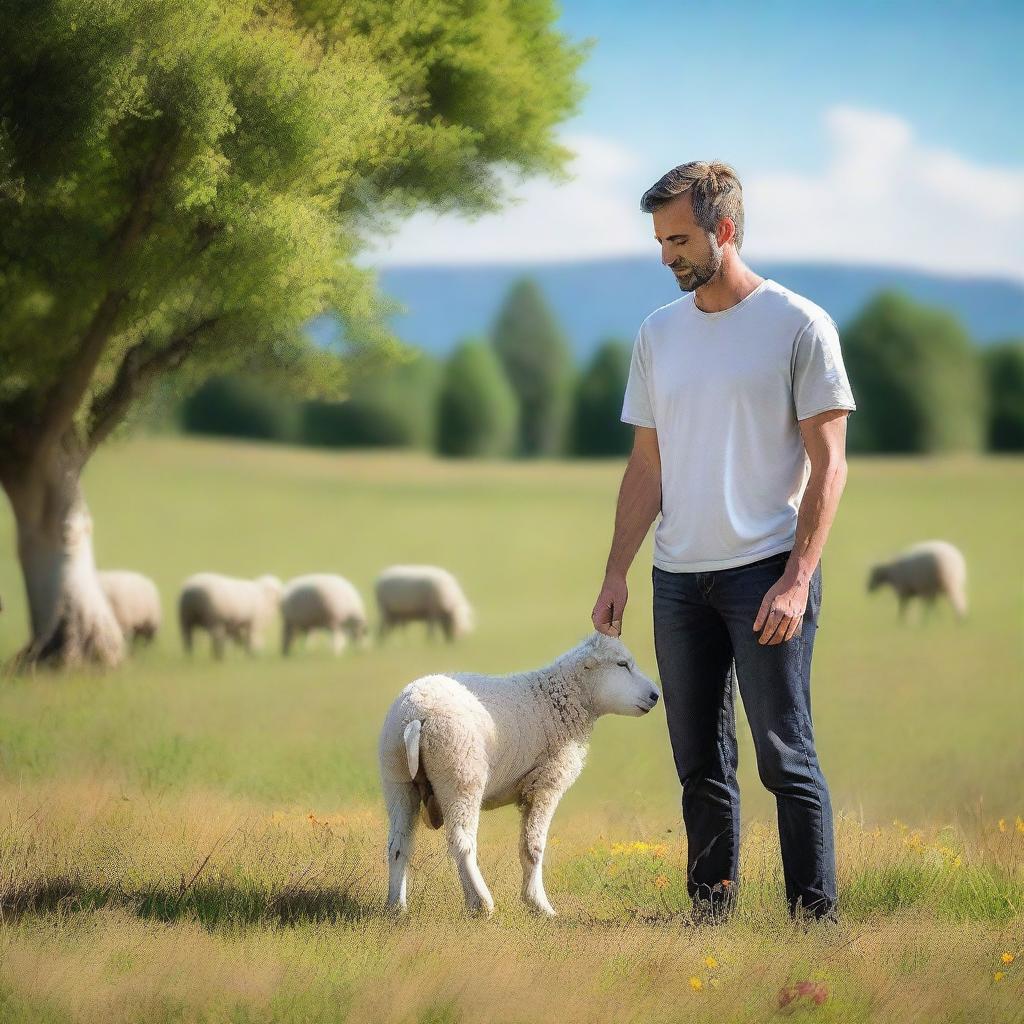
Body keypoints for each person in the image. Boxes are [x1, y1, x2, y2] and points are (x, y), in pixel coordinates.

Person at [591, 161, 856, 924]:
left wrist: (799, 576)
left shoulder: (798, 325)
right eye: (659, 241)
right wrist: (618, 570)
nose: (666, 256)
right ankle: (712, 911)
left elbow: (830, 462)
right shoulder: (657, 334)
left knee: (784, 755)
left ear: (725, 230)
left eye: (679, 239)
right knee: (699, 761)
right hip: (679, 579)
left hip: (766, 574)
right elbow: (648, 466)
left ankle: (815, 918)